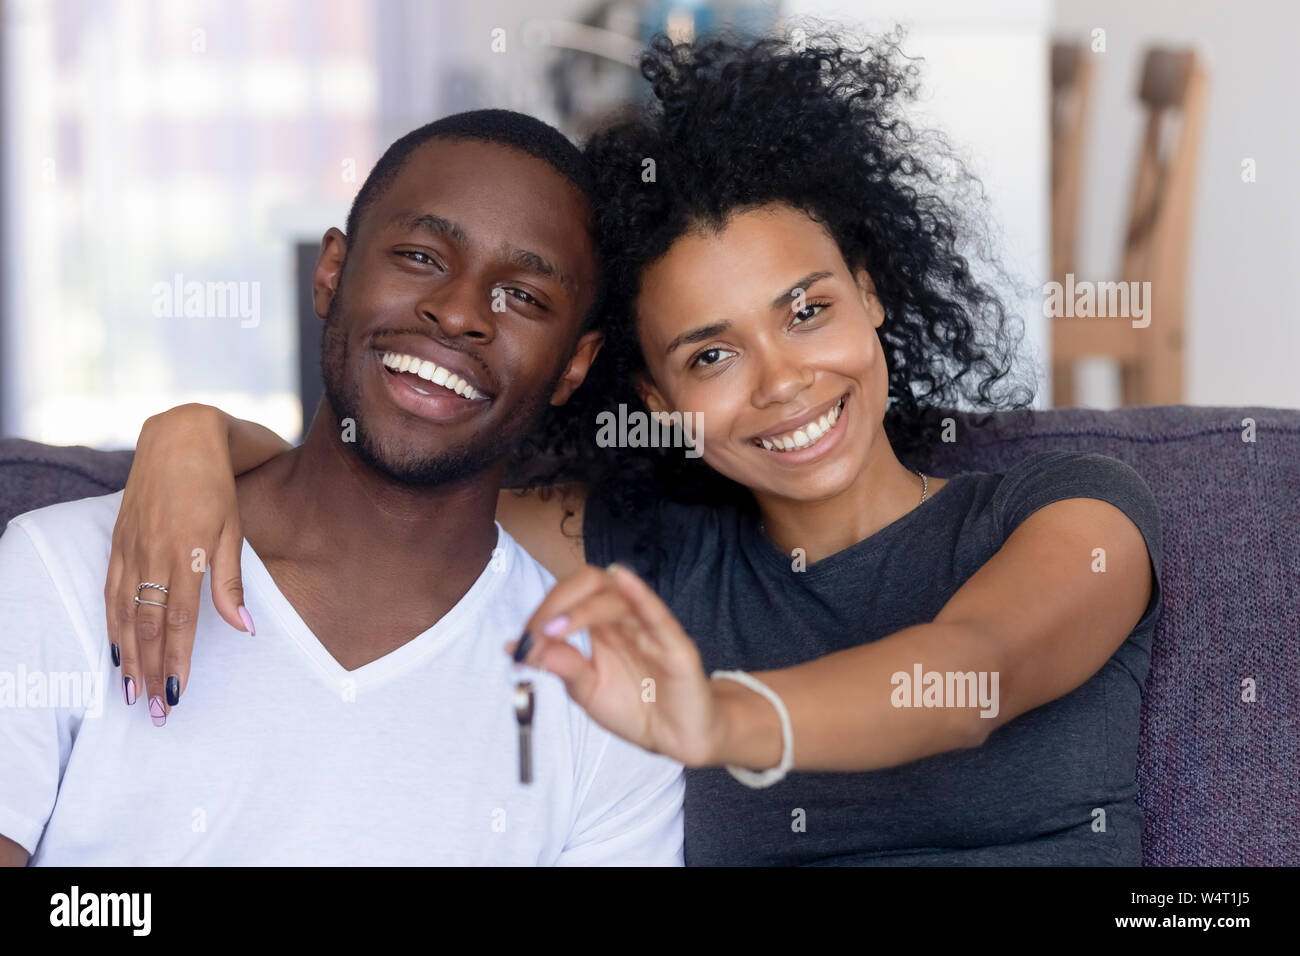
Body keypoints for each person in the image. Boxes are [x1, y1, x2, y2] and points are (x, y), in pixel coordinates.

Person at [99, 32, 1163, 866]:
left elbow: (970, 677)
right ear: (649, 392)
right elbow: (369, 492)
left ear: (870, 290)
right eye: (711, 356)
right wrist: (189, 437)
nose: (782, 380)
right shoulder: (650, 556)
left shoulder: (1071, 513)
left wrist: (718, 714)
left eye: (806, 310)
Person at [0, 110, 684, 866]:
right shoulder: (59, 573)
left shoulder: (610, 707)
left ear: (577, 365)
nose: (459, 313)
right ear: (333, 272)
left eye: (522, 297)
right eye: (422, 256)